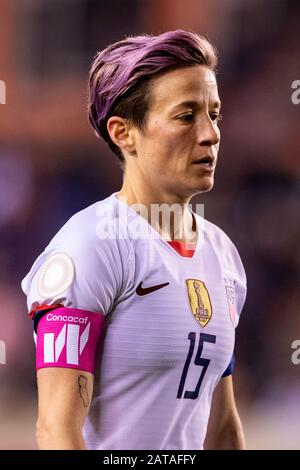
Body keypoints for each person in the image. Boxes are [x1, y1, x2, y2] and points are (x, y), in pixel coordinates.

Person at [21, 30, 247, 450]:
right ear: (124, 133)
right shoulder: (91, 246)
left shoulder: (224, 257)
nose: (210, 134)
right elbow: (56, 430)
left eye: (214, 115)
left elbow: (222, 429)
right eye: (186, 116)